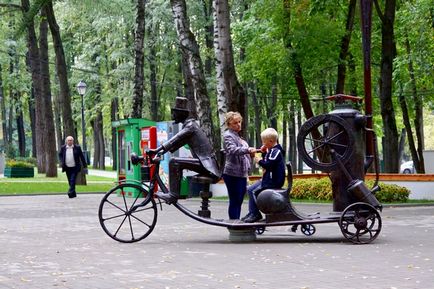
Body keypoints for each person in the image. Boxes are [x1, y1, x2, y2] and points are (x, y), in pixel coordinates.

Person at [153, 97, 221, 204]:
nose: (173, 115)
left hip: (207, 165)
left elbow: (174, 139)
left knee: (174, 162)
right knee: (176, 162)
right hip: (205, 164)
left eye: (175, 113)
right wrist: (161, 152)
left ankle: (173, 195)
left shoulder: (190, 127)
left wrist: (155, 150)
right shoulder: (190, 126)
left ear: (182, 114)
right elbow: (176, 143)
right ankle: (173, 193)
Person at [242, 128, 285, 223]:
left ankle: (256, 214)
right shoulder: (273, 150)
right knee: (250, 189)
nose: (263, 143)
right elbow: (269, 161)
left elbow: (268, 165)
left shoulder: (275, 151)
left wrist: (258, 160)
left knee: (253, 192)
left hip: (273, 181)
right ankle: (252, 212)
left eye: (264, 142)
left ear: (271, 141)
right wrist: (264, 151)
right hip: (268, 179)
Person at [222, 111, 257, 220]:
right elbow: (232, 150)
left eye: (239, 122)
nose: (238, 124)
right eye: (235, 123)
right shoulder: (228, 136)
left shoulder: (238, 136)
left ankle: (235, 221)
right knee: (235, 200)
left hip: (242, 173)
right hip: (232, 173)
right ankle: (233, 222)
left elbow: (244, 154)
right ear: (228, 125)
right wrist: (247, 150)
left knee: (239, 199)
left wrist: (251, 154)